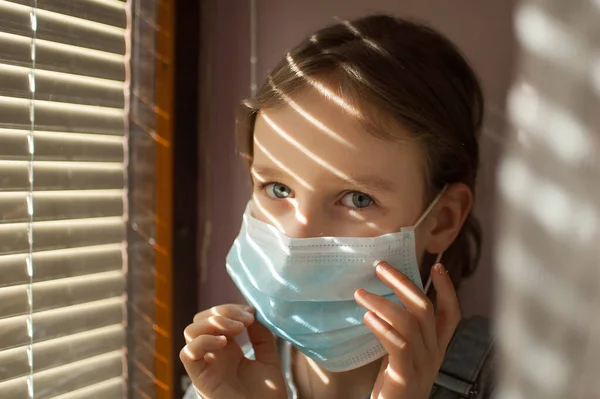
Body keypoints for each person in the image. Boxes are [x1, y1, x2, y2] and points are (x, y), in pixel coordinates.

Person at [181, 14, 494, 399]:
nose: (297, 236)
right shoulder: (226, 375)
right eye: (278, 189)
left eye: (358, 199)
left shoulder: (518, 376)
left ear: (442, 219)